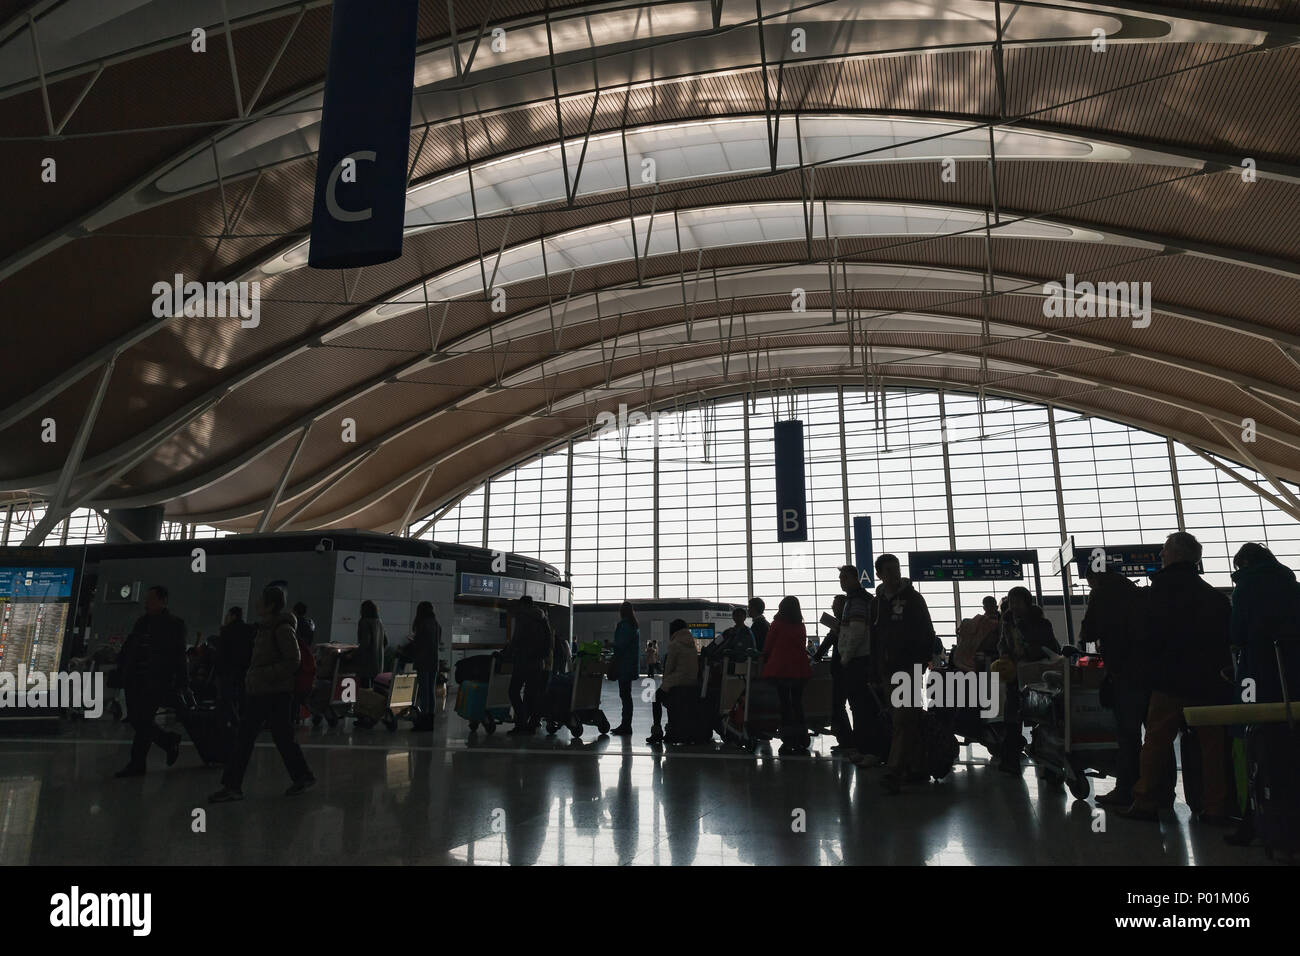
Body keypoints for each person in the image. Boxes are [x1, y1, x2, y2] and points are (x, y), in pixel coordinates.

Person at [1119, 532, 1233, 824]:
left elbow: (1143, 640)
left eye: (1163, 551)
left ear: (1171, 554)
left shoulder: (1153, 596)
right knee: (1213, 747)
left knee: (1156, 742)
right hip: (1209, 684)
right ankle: (1216, 808)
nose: (1161, 555)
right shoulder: (1215, 598)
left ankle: (1146, 801)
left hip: (1169, 682)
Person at [209, 585, 315, 802]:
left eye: (261, 600)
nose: (257, 603)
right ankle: (302, 776)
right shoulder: (265, 628)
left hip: (273, 692)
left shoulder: (282, 629)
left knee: (248, 737)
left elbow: (293, 660)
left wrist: (265, 674)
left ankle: (232, 786)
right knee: (278, 737)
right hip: (265, 691)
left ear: (270, 605)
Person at [1226, 542, 1300, 845]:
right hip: (1294, 678)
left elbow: (1237, 635)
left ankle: (1253, 819)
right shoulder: (1293, 586)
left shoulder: (1245, 589)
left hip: (1257, 677)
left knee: (1253, 744)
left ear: (1243, 564)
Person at [1082, 570, 1150, 808]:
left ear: (1095, 581)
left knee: (1128, 736)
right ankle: (1159, 790)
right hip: (1152, 674)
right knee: (1155, 735)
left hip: (1124, 674)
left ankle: (1126, 790)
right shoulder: (1139, 594)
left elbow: (1088, 632)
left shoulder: (1102, 596)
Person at [871, 554, 937, 793]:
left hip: (908, 667)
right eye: (888, 570)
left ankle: (895, 770)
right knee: (908, 717)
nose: (894, 574)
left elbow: (926, 629)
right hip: (887, 669)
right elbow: (874, 637)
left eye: (896, 569)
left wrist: (920, 659)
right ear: (879, 574)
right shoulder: (877, 603)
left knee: (901, 718)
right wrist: (875, 668)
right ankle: (918, 766)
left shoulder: (912, 598)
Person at [114, 585, 187, 777]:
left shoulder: (175, 625)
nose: (146, 603)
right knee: (139, 721)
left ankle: (138, 762)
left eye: (151, 599)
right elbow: (131, 647)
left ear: (163, 601)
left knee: (142, 719)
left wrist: (181, 682)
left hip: (155, 681)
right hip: (134, 679)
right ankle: (166, 742)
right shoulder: (141, 622)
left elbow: (179, 655)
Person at [995, 585, 1060, 774]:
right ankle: (1010, 761)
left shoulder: (1040, 623)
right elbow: (1002, 643)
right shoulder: (1007, 622)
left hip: (1037, 677)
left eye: (1017, 602)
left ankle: (1049, 761)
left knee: (1044, 718)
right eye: (1011, 601)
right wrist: (1005, 655)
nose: (1014, 606)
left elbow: (1049, 647)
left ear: (1027, 602)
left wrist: (1027, 651)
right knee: (1011, 719)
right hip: (1016, 676)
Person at [836, 565, 879, 767]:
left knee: (861, 706)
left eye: (845, 577)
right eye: (840, 578)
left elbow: (857, 631)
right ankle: (865, 748)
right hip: (863, 658)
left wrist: (845, 657)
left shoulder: (857, 601)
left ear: (855, 578)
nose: (841, 581)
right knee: (861, 706)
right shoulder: (860, 599)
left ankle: (868, 750)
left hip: (858, 660)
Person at [760, 596, 814, 754]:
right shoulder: (800, 626)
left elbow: (768, 646)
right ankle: (802, 737)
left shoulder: (777, 624)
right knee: (797, 703)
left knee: (784, 704)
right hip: (800, 669)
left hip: (781, 669)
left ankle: (789, 737)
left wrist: (764, 657)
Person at [647, 619, 699, 744]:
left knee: (656, 697)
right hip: (692, 682)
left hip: (677, 681)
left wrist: (665, 683)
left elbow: (669, 667)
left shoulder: (675, 643)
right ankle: (672, 730)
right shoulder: (692, 643)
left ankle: (657, 731)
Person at [506, 595, 553, 735]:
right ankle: (532, 724)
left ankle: (521, 723)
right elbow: (549, 638)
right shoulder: (543, 617)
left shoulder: (523, 616)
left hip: (523, 660)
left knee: (513, 691)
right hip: (538, 662)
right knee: (532, 694)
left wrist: (508, 652)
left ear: (523, 605)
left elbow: (517, 637)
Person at [813, 593, 852, 748]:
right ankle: (845, 739)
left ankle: (847, 739)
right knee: (841, 705)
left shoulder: (841, 625)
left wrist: (815, 657)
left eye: (835, 605)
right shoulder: (842, 624)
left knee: (838, 705)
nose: (832, 608)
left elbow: (827, 643)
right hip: (844, 669)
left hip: (842, 670)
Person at [401, 602, 440, 732]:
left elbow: (418, 644)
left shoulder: (422, 624)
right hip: (434, 661)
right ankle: (430, 721)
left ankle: (423, 721)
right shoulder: (436, 624)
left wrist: (405, 648)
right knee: (430, 691)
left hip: (423, 661)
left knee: (424, 692)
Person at [214, 606, 254, 724]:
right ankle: (243, 720)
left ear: (233, 615)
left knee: (227, 697)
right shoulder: (249, 629)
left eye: (228, 615)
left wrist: (218, 670)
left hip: (228, 669)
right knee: (243, 697)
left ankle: (231, 721)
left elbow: (221, 653)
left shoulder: (226, 630)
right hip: (244, 669)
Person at [351, 600, 387, 728]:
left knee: (364, 691)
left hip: (366, 662)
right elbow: (385, 642)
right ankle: (373, 715)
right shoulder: (379, 622)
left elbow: (365, 642)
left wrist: (354, 654)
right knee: (373, 690)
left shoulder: (364, 622)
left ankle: (364, 716)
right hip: (378, 663)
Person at [609, 602, 640, 735]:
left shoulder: (625, 626)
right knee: (626, 695)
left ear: (622, 612)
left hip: (624, 666)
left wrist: (610, 644)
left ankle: (626, 725)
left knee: (625, 696)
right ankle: (626, 724)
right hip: (630, 665)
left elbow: (621, 645)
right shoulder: (634, 625)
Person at [953, 596, 1001, 672]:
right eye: (987, 606)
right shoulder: (981, 620)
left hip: (993, 653)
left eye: (990, 606)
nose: (988, 608)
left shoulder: (999, 621)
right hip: (983, 653)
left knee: (992, 679)